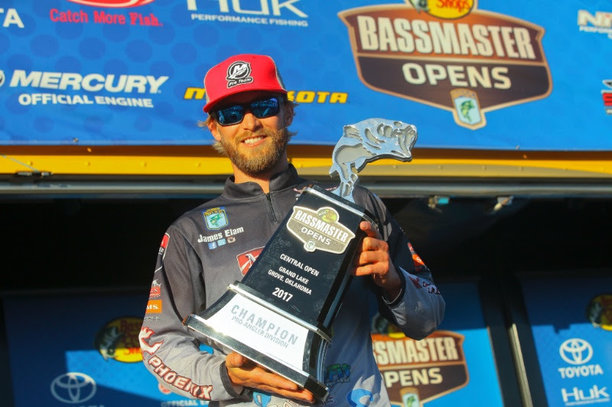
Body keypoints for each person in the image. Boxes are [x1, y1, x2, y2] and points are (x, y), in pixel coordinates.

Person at [139, 53, 445, 406]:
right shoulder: (189, 232)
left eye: (263, 106)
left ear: (287, 112)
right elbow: (159, 341)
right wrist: (226, 376)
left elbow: (429, 316)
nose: (250, 123)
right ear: (215, 128)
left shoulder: (355, 203)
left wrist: (394, 280)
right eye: (231, 114)